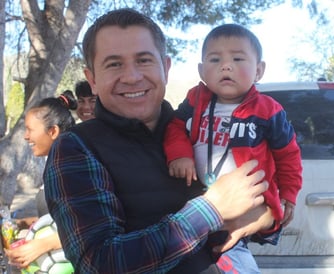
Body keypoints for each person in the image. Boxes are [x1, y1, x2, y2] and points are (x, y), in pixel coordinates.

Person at [43, 8, 273, 274]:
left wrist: (268, 218)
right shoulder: (76, 147)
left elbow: (258, 204)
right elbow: (99, 263)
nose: (132, 77)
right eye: (114, 64)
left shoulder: (198, 129)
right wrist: (211, 209)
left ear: (165, 67)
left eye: (144, 60)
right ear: (92, 79)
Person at [163, 24, 303, 273]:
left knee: (233, 254)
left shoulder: (269, 111)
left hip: (242, 207)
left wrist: (288, 194)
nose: (225, 66)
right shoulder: (195, 100)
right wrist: (181, 155)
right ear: (201, 70)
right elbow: (174, 127)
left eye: (238, 58)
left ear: (259, 70)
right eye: (215, 59)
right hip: (195, 201)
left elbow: (288, 155)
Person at [5, 90, 77, 270]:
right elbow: (60, 219)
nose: (25, 136)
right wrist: (25, 224)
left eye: (30, 129)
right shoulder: (55, 167)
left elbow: (90, 225)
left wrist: (42, 245)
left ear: (53, 131)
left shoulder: (74, 171)